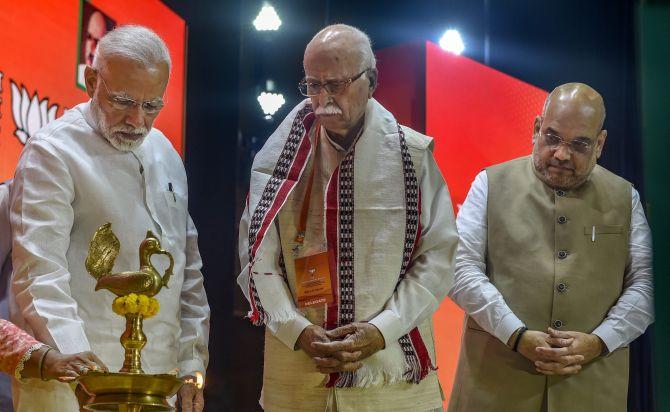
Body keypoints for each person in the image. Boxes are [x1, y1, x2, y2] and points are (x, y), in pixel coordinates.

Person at [238, 24, 457, 411]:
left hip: (390, 373)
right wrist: (297, 329)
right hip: (299, 367)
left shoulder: (414, 156)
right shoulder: (277, 160)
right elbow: (257, 257)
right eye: (312, 85)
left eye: (335, 85)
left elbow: (438, 257)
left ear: (370, 81)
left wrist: (380, 330)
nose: (321, 100)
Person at [10, 25, 209, 412]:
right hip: (73, 381)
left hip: (157, 379)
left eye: (152, 106)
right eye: (122, 101)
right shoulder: (53, 153)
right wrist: (83, 371)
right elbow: (38, 274)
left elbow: (187, 268)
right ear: (90, 81)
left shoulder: (166, 154)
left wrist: (190, 362)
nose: (137, 120)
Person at [448, 83, 654, 412]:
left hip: (592, 391)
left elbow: (646, 285)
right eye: (552, 138)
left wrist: (599, 342)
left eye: (579, 145)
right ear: (536, 128)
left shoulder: (625, 198)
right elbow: (458, 270)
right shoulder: (489, 183)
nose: (561, 154)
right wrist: (515, 334)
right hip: (493, 388)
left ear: (600, 144)